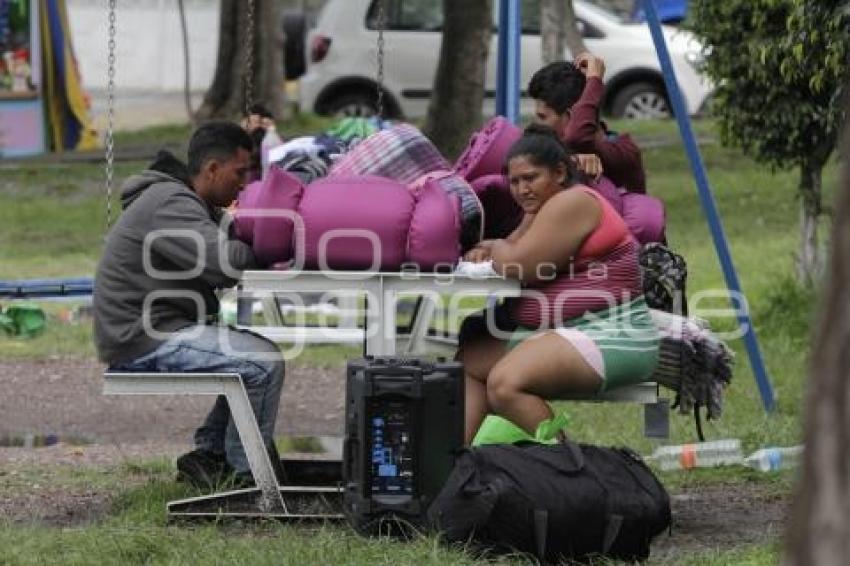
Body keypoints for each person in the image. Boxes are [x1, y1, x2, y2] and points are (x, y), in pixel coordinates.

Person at [93, 121, 285, 488]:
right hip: (142, 336)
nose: (244, 184)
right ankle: (249, 479)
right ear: (212, 169)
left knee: (253, 355)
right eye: (239, 172)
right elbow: (224, 263)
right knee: (263, 362)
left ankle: (210, 456)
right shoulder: (169, 203)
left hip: (156, 327)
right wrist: (270, 243)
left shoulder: (187, 203)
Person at [459, 124, 658, 444]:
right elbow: (510, 247)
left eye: (531, 178)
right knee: (470, 360)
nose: (522, 189)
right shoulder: (540, 208)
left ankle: (568, 469)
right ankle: (449, 468)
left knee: (505, 383)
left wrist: (495, 249)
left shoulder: (574, 203)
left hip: (611, 335)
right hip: (572, 330)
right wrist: (495, 247)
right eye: (514, 181)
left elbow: (518, 264)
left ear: (560, 173)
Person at [528, 53, 647, 193]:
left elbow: (577, 137)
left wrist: (594, 80)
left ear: (571, 117)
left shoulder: (624, 152)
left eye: (542, 117)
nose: (536, 124)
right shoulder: (554, 149)